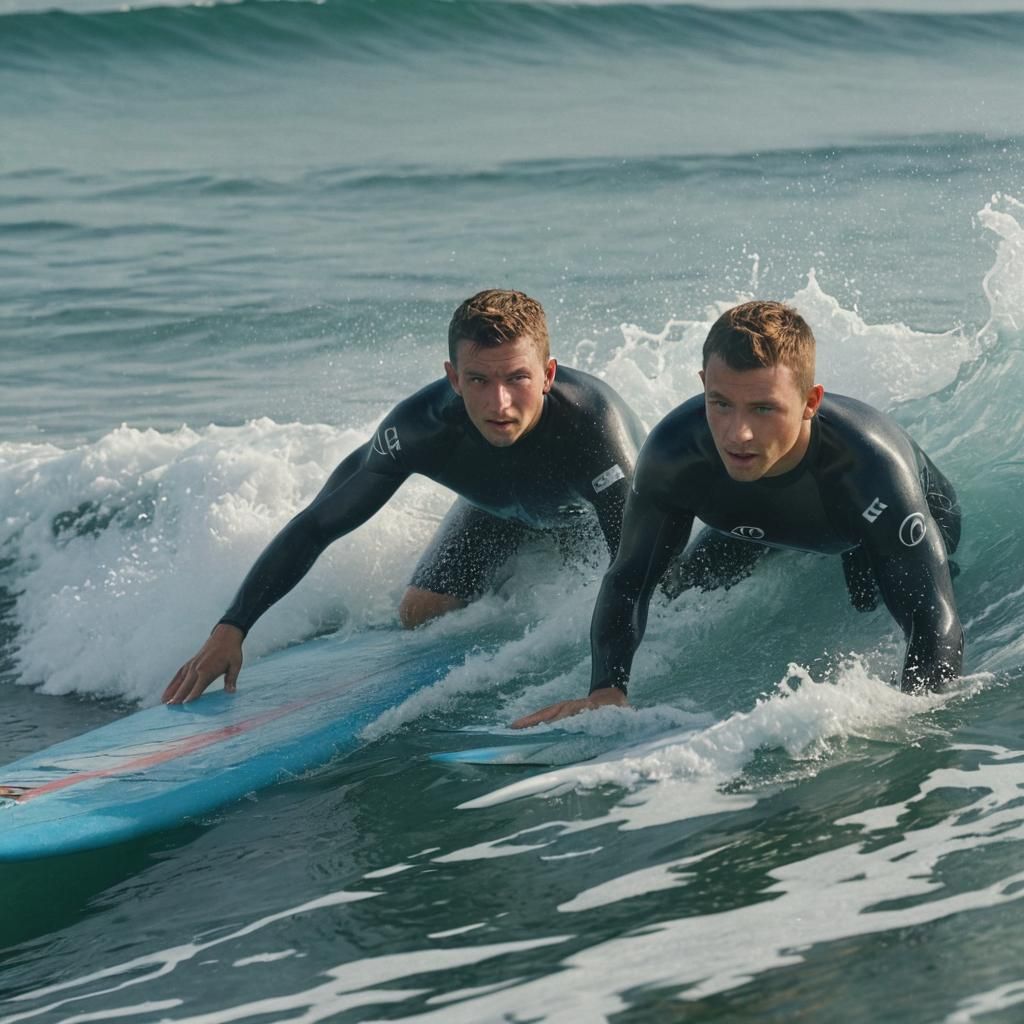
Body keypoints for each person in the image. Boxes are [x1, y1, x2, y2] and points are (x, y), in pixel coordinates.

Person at [163, 289, 646, 704]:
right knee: (420, 613)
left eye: (517, 378)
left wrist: (608, 686)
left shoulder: (593, 431)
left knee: (659, 591)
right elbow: (316, 525)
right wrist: (232, 628)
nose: (499, 402)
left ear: (547, 374)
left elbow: (633, 570)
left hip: (591, 517)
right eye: (478, 380)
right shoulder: (419, 429)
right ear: (453, 378)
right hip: (498, 511)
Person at [513, 300, 963, 728]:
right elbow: (629, 578)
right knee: (686, 588)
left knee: (868, 598)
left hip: (862, 522)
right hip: (755, 523)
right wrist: (606, 690)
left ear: (810, 402)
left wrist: (918, 717)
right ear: (703, 384)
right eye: (721, 403)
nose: (737, 434)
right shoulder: (675, 454)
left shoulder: (869, 469)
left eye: (764, 408)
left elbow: (934, 622)